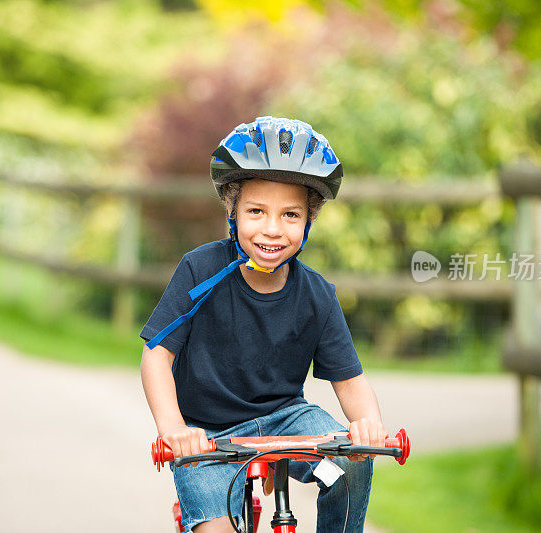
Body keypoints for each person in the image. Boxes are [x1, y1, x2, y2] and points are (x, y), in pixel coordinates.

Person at [140, 116, 388, 533]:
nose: (272, 229)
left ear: (308, 221)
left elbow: (350, 381)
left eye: (290, 214)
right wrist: (174, 428)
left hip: (287, 420)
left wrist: (369, 426)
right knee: (215, 529)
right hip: (208, 433)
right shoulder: (200, 269)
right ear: (232, 210)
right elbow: (156, 356)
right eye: (257, 211)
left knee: (349, 463)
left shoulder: (317, 295)